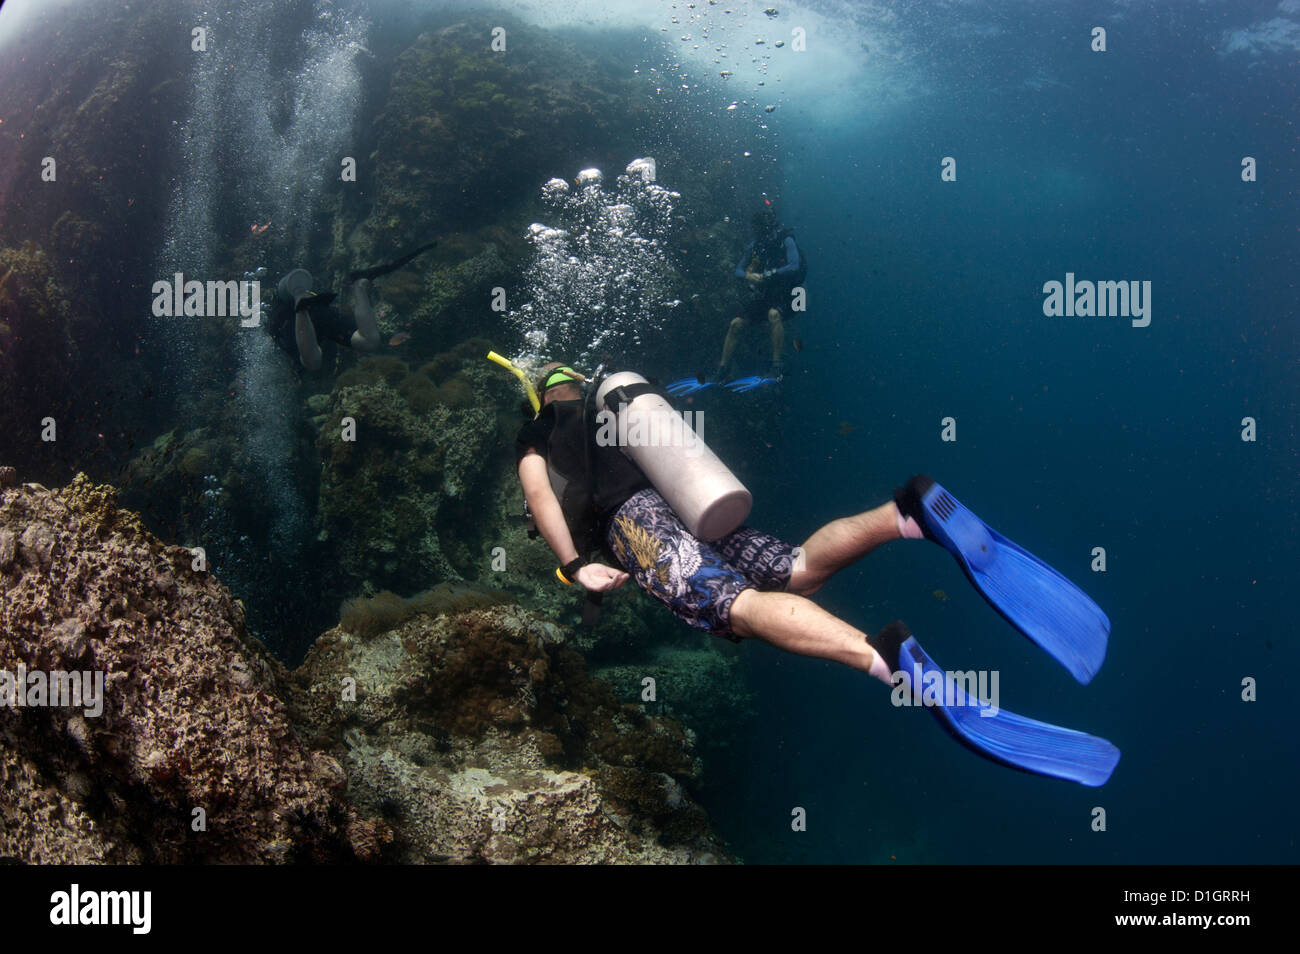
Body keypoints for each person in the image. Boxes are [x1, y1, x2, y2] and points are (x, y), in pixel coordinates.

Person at [514, 363, 1121, 787]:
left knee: (738, 608)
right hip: (690, 500)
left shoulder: (542, 426)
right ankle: (905, 515)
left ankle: (879, 657)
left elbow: (540, 492)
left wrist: (573, 566)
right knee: (797, 569)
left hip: (636, 522)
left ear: (544, 394)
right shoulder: (615, 404)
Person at [714, 206, 807, 382]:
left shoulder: (785, 240)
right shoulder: (755, 246)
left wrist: (770, 274)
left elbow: (795, 265)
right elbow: (738, 271)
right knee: (736, 324)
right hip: (767, 294)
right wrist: (749, 275)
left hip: (791, 295)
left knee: (774, 315)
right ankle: (723, 370)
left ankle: (777, 366)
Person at [266, 269, 380, 371]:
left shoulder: (285, 322)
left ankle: (300, 304)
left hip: (306, 318)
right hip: (310, 313)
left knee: (312, 363)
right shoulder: (285, 321)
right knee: (369, 342)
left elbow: (312, 363)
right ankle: (358, 286)